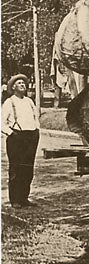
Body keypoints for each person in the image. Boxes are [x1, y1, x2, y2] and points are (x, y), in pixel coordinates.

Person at [2, 74, 40, 208]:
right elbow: (2, 122)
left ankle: (24, 198)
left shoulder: (29, 101)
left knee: (28, 169)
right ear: (13, 87)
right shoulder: (9, 102)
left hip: (31, 136)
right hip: (16, 137)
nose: (22, 85)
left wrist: (36, 130)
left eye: (23, 83)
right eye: (19, 83)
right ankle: (15, 200)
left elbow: (35, 117)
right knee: (16, 169)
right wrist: (11, 133)